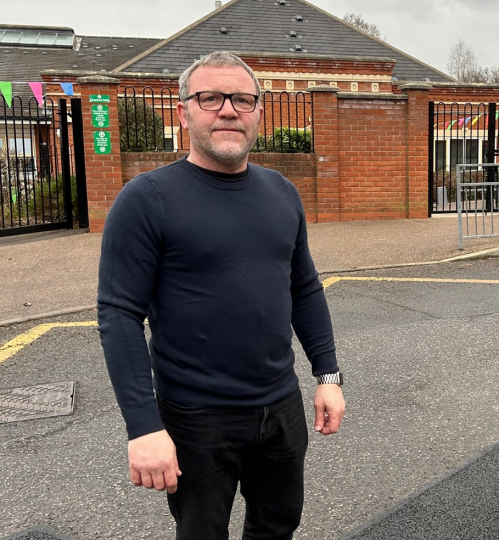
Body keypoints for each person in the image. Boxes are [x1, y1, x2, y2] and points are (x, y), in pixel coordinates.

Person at [97, 51, 344, 540]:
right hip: (195, 418)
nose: (228, 109)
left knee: (277, 525)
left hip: (280, 407)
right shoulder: (147, 199)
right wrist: (143, 427)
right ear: (184, 110)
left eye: (243, 99)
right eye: (211, 97)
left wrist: (328, 373)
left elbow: (304, 288)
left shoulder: (282, 192)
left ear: (258, 112)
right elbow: (119, 314)